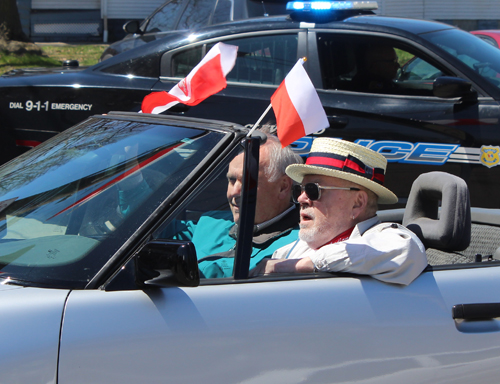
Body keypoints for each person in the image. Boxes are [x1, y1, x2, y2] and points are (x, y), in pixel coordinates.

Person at [250, 138, 428, 285]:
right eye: (300, 190)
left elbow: (406, 251)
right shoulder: (292, 250)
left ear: (357, 203)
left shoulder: (385, 238)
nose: (302, 199)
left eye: (313, 190)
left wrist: (304, 265)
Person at [168, 133, 303, 278]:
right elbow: (147, 229)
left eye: (247, 182)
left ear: (283, 187)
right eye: (232, 180)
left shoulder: (298, 244)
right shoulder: (211, 222)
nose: (234, 192)